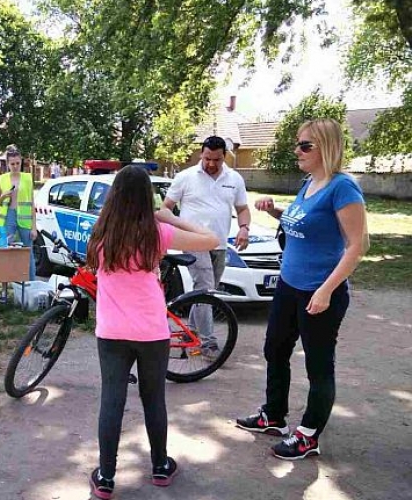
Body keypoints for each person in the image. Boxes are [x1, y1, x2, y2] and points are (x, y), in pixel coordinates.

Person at [236, 118, 369, 461]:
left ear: (327, 147)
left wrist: (325, 291)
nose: (297, 150)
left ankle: (309, 434)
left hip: (320, 292)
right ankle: (274, 416)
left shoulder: (342, 188)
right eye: (298, 143)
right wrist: (275, 211)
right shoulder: (309, 182)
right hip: (289, 286)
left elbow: (358, 245)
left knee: (318, 366)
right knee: (275, 349)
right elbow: (303, 223)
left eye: (305, 145)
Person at [85, 165, 218, 499]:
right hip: (151, 332)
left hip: (112, 332)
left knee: (111, 400)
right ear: (147, 198)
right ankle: (160, 466)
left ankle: (105, 476)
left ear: (114, 196)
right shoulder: (156, 233)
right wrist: (171, 218)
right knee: (154, 398)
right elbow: (212, 239)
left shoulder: (101, 232)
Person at [163, 135, 251, 357]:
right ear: (201, 154)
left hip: (219, 243)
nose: (211, 163)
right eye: (207, 158)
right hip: (193, 242)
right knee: (206, 289)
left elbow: (242, 209)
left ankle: (190, 332)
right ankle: (208, 343)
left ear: (224, 156)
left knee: (204, 292)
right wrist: (175, 232)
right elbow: (166, 208)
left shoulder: (234, 179)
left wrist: (244, 228)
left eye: (217, 160)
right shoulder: (185, 177)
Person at [0, 144, 37, 302]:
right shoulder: (2, 179)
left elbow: (32, 203)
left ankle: (32, 288)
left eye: (18, 163)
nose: (15, 166)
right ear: (7, 164)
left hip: (24, 220)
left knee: (28, 253)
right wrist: (4, 195)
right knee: (5, 253)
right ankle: (4, 290)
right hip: (7, 219)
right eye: (12, 163)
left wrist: (34, 227)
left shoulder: (28, 178)